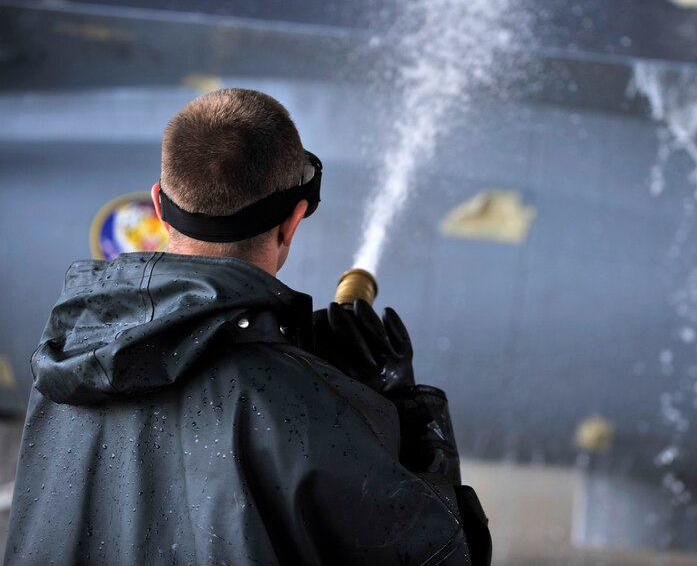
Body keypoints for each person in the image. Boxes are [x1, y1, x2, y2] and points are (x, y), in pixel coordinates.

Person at [4, 88, 490, 565]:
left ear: (158, 203)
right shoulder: (299, 407)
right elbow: (446, 553)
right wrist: (400, 413)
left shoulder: (70, 361)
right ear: (292, 222)